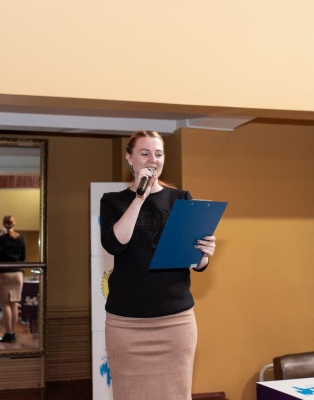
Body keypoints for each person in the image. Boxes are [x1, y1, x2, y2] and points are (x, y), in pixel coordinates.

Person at [99, 130, 216, 400]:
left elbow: (195, 262)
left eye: (159, 154)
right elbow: (115, 243)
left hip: (175, 322)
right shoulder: (113, 201)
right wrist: (140, 197)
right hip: (126, 324)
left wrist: (205, 253)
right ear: (130, 158)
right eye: (145, 153)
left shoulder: (180, 199)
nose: (153, 159)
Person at [0, 215, 26, 343]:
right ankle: (14, 333)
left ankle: (8, 333)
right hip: (17, 274)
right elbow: (22, 257)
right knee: (14, 303)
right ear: (14, 224)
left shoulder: (0, 238)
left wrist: (1, 235)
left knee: (5, 304)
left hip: (3, 273)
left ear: (3, 224)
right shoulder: (21, 238)